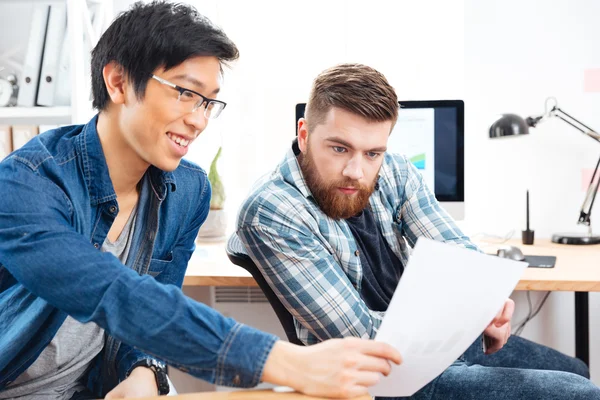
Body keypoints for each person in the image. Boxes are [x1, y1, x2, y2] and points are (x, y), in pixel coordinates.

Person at [0, 4, 402, 400]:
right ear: (119, 82)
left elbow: (159, 298)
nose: (199, 119)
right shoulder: (27, 182)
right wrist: (292, 363)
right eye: (186, 93)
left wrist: (144, 368)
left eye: (208, 102)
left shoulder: (187, 191)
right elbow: (113, 293)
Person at [236, 63, 600, 399]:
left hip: (440, 344)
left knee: (575, 369)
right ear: (304, 134)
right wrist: (468, 310)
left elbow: (457, 251)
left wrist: (486, 303)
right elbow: (361, 336)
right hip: (382, 375)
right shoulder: (272, 211)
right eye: (339, 148)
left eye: (372, 153)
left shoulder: (394, 169)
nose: (356, 171)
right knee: (579, 392)